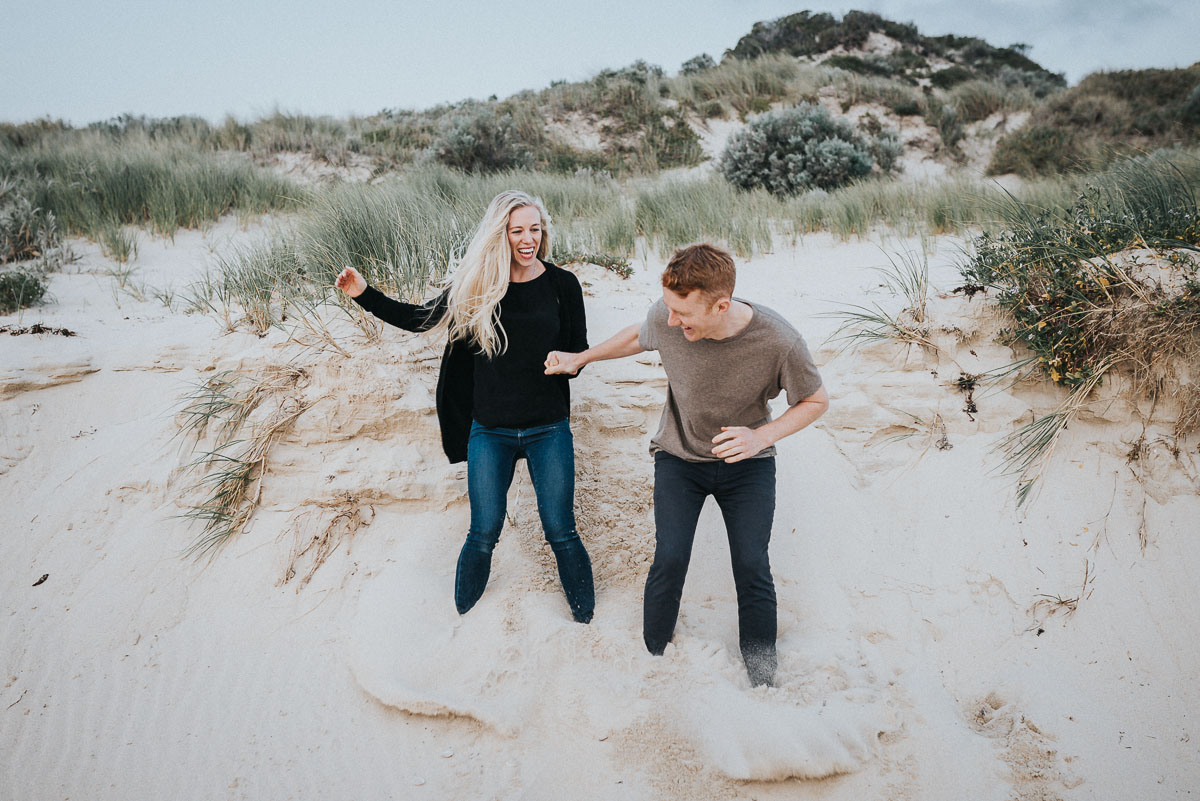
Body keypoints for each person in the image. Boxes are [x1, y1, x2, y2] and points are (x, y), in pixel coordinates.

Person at [545, 243, 828, 684]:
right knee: (671, 557)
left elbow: (814, 400)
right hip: (679, 458)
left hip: (747, 464)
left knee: (751, 564)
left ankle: (762, 675)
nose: (672, 321)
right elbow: (640, 335)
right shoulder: (669, 314)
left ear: (721, 305)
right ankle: (653, 658)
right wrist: (580, 358)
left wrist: (761, 436)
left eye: (684, 315)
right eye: (669, 310)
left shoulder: (779, 340)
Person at [335, 190, 595, 623]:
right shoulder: (475, 287)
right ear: (501, 235)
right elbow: (420, 318)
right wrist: (365, 294)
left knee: (560, 530)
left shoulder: (562, 285)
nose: (528, 239)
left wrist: (569, 365)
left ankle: (585, 619)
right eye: (517, 231)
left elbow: (578, 349)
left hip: (548, 428)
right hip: (489, 431)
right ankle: (462, 617)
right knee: (483, 530)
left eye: (535, 229)